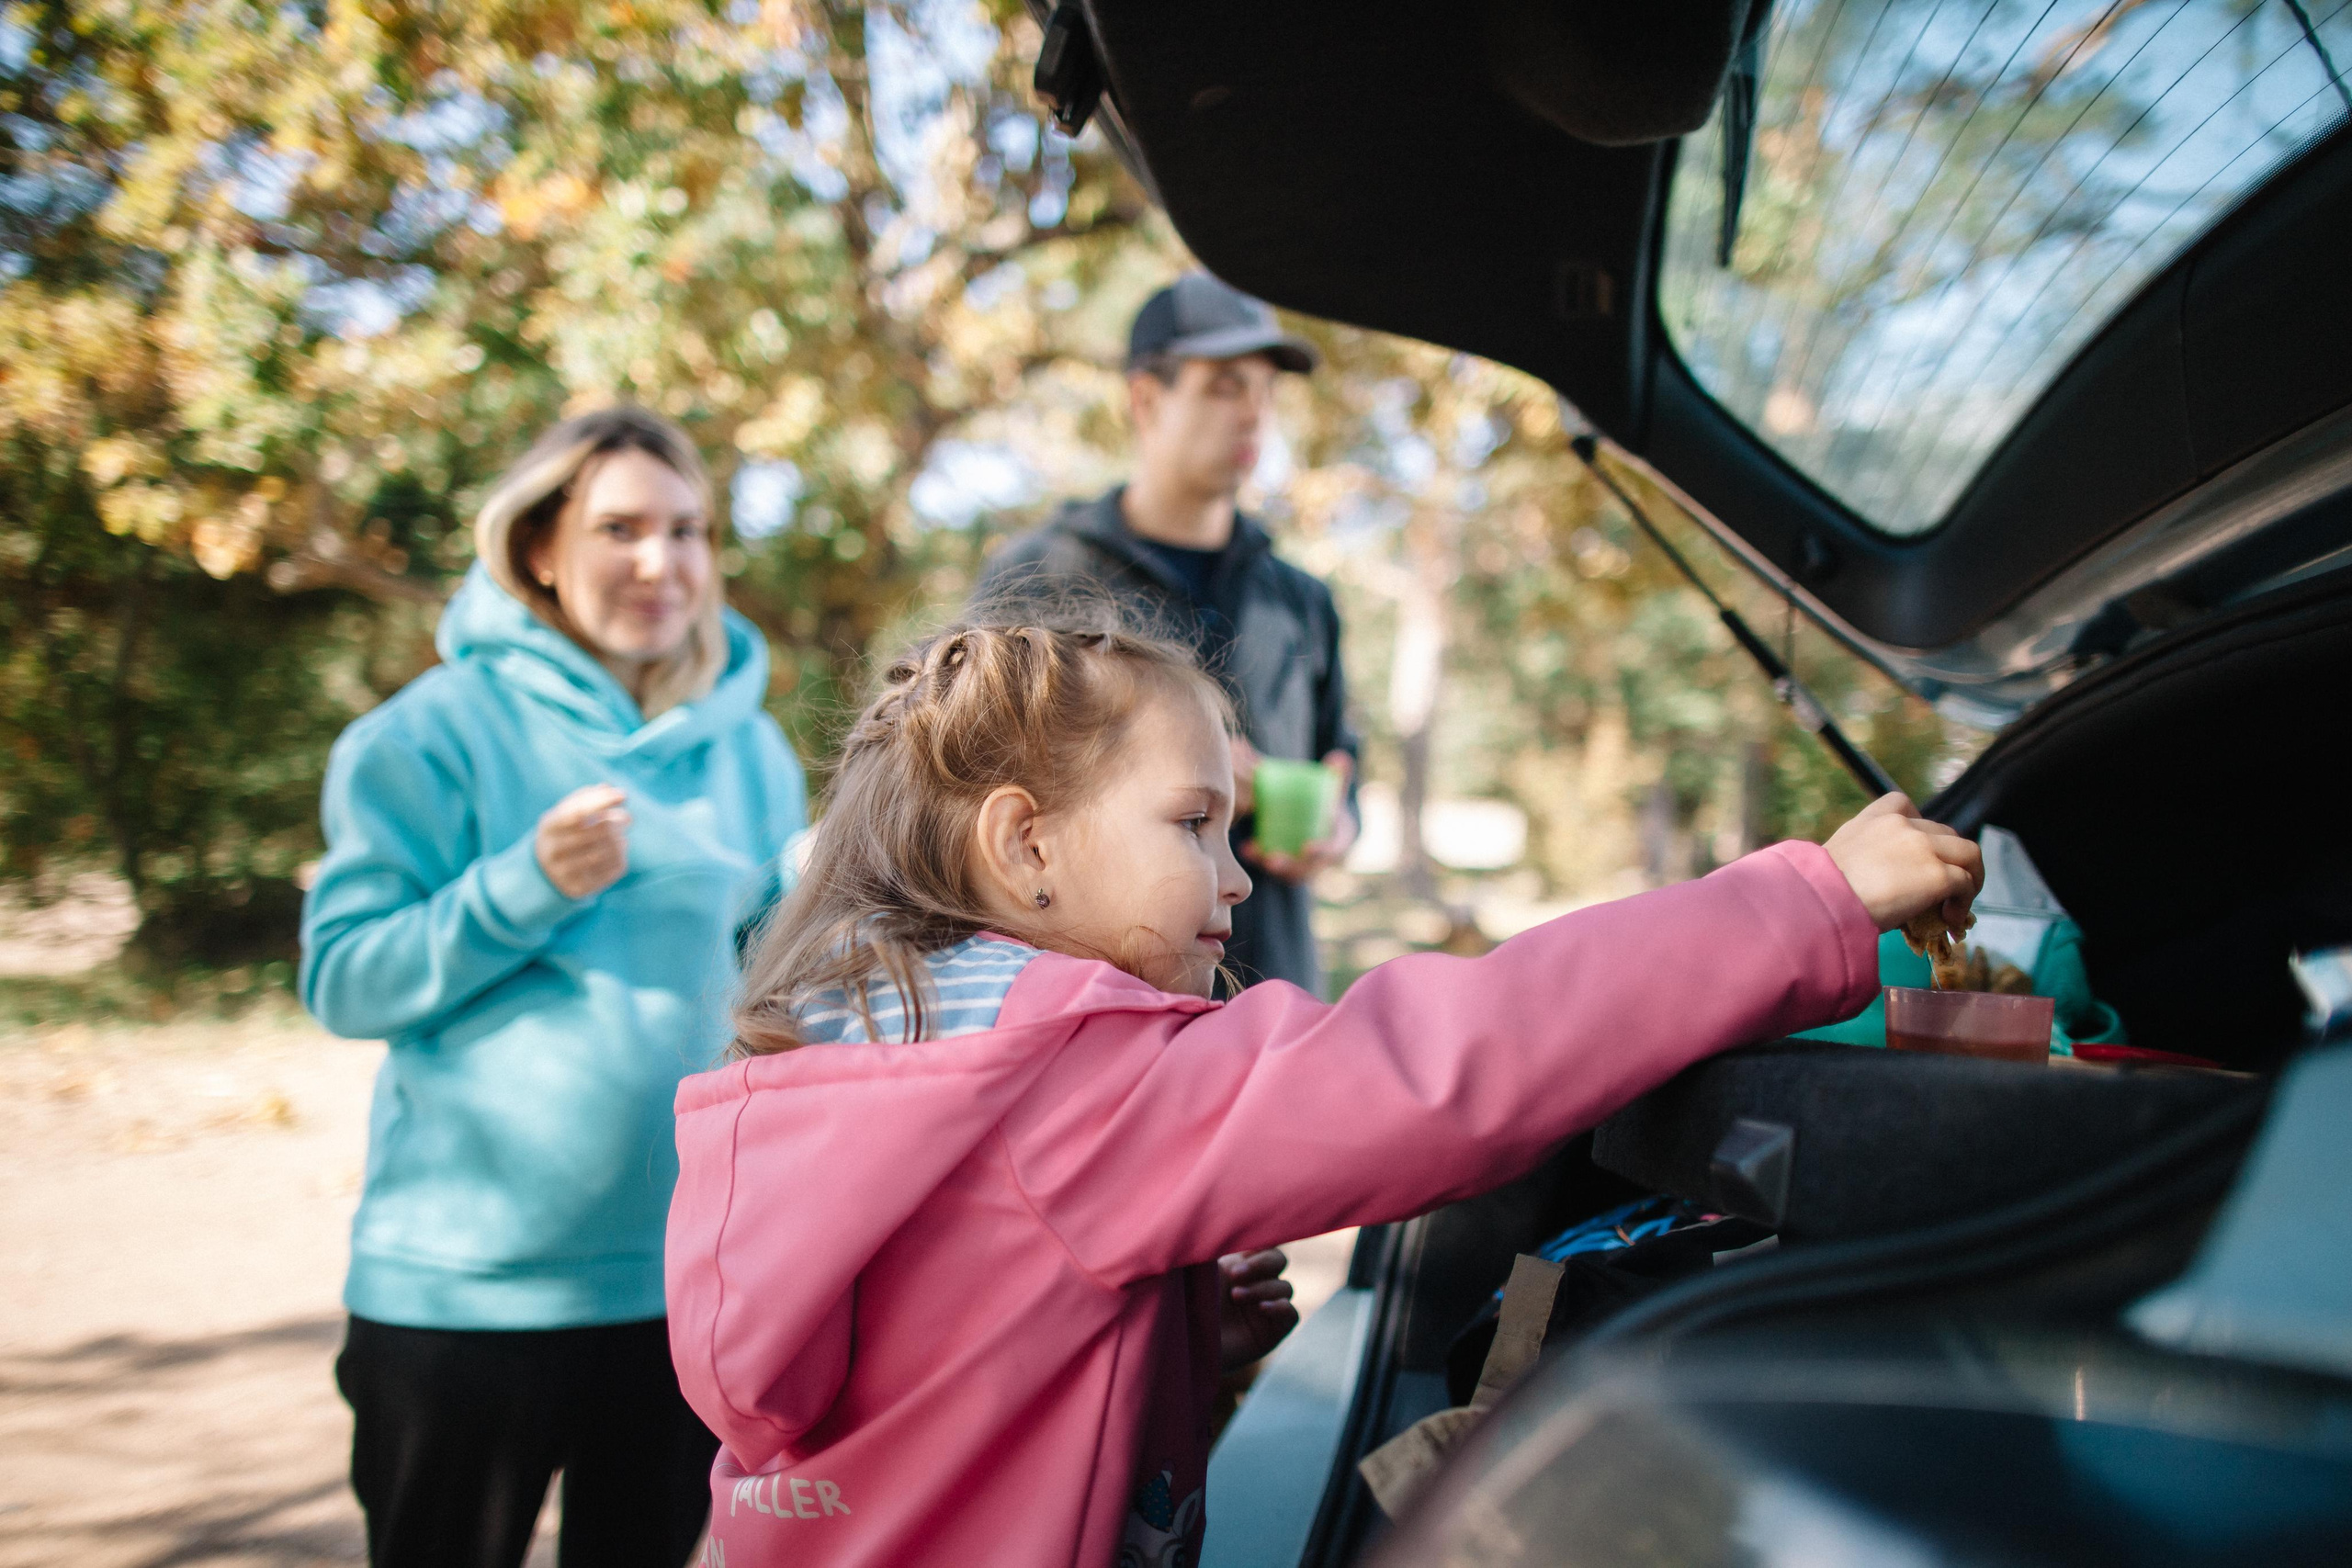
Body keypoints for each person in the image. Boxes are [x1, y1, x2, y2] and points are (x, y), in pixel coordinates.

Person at [664, 616, 1980, 1568]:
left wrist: (1147, 1334)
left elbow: (937, 1355)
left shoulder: (863, 1051)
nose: (1237, 880)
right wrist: (1804, 899)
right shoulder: (1066, 1077)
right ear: (1026, 843)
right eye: (1193, 823)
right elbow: (1439, 1068)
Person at [300, 407, 808, 1568]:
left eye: (688, 532)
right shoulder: (422, 737)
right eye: (618, 527)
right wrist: (521, 885)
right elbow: (343, 981)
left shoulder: (752, 752)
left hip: (683, 1291)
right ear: (538, 546)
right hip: (461, 1304)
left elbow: (770, 997)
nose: (659, 563)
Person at [975, 271, 1357, 997]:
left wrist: (1337, 823)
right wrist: (1193, 785)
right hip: (1099, 1005)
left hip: (1276, 1000)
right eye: (1224, 386)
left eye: (1267, 391)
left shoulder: (1303, 600)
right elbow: (980, 793)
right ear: (1145, 400)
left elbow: (1346, 760)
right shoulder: (1037, 578)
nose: (1255, 415)